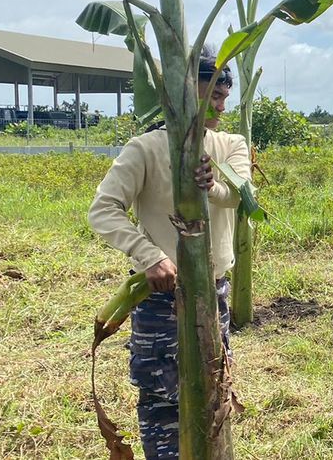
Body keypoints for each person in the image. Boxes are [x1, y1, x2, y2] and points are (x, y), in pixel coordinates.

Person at [88, 48, 250, 460]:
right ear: (182, 93)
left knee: (214, 388)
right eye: (212, 94)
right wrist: (149, 256)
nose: (220, 104)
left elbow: (238, 196)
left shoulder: (230, 145)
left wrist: (211, 184)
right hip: (161, 298)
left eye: (224, 95)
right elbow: (103, 211)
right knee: (162, 397)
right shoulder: (144, 149)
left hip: (213, 294)